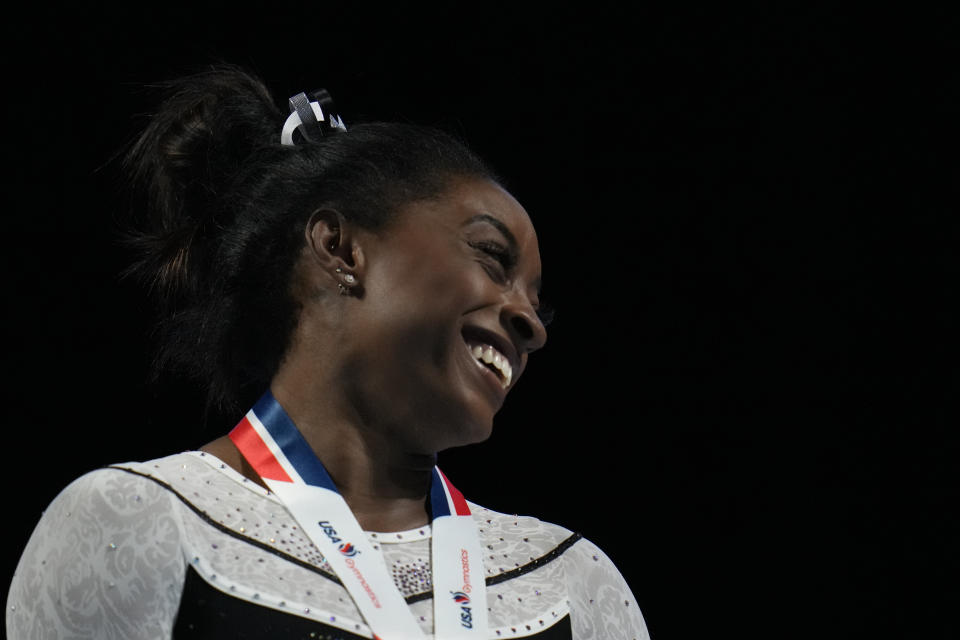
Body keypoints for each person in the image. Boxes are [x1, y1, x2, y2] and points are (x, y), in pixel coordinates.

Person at [6, 65, 649, 639]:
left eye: (538, 303)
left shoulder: (572, 588)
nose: (530, 322)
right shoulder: (137, 526)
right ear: (340, 249)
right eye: (491, 257)